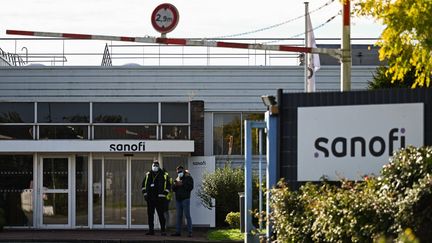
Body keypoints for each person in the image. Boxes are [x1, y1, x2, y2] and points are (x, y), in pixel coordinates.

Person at [141, 160, 171, 236]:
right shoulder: (148, 174)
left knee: (161, 215)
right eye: (154, 165)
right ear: (152, 166)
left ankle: (163, 231)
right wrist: (145, 194)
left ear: (159, 166)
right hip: (150, 199)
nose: (155, 167)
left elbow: (168, 185)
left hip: (160, 199)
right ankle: (151, 231)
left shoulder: (163, 174)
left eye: (156, 166)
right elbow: (143, 185)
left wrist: (164, 194)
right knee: (150, 215)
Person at [171, 165, 194, 237]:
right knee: (179, 216)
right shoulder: (177, 178)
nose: (179, 173)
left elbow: (190, 187)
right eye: (178, 172)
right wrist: (175, 185)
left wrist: (182, 184)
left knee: (187, 215)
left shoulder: (188, 178)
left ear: (183, 171)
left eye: (180, 171)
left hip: (185, 199)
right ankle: (178, 232)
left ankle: (190, 232)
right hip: (178, 200)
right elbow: (173, 189)